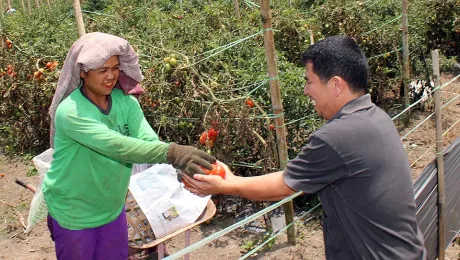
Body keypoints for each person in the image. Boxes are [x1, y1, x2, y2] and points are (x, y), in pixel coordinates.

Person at [184, 36, 426, 260]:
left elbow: (284, 186)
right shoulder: (376, 117)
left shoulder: (338, 136)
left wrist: (227, 184)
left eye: (310, 82)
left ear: (336, 85)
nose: (306, 90)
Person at [42, 32, 216, 260]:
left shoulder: (126, 103)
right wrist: (172, 153)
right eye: (102, 70)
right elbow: (117, 146)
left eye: (115, 68)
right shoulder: (71, 112)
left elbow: (147, 141)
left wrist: (177, 162)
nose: (111, 76)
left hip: (112, 209)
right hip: (74, 211)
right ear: (83, 72)